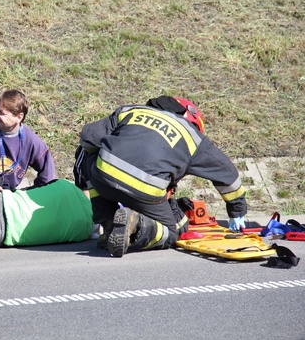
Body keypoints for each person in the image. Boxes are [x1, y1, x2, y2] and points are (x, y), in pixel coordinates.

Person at [74, 95, 247, 257]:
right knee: (170, 232)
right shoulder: (193, 137)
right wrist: (236, 211)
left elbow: (89, 137)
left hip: (104, 177)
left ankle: (108, 223)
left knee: (88, 154)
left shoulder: (130, 111)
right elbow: (227, 174)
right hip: (147, 189)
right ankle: (138, 224)